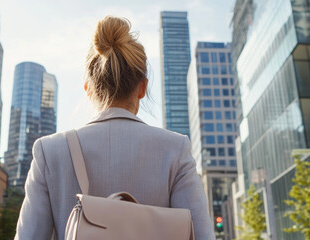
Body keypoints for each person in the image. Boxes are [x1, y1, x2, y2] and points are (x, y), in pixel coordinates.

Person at [15, 16, 215, 240]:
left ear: (88, 89)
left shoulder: (49, 151)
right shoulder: (176, 149)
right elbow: (201, 235)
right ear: (142, 88)